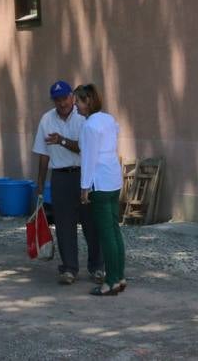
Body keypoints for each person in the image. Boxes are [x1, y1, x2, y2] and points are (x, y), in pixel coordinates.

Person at [33, 79, 103, 285]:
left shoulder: (84, 118)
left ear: (72, 97)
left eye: (64, 98)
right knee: (64, 225)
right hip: (60, 176)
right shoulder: (46, 119)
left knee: (91, 223)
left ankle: (97, 267)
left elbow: (85, 148)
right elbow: (43, 154)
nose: (62, 103)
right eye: (57, 100)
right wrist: (39, 183)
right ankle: (69, 268)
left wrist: (61, 140)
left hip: (84, 175)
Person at [75, 83, 124, 296]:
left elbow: (88, 158)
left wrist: (84, 187)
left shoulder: (89, 126)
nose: (75, 105)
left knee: (106, 234)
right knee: (114, 230)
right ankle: (119, 276)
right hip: (113, 180)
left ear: (88, 102)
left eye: (78, 101)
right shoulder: (108, 119)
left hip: (100, 183)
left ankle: (111, 281)